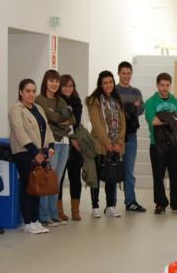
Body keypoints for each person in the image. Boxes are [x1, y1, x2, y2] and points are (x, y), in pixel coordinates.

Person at [9, 79, 56, 234]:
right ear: (21, 92)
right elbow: (20, 133)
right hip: (24, 153)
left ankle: (36, 220)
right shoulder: (16, 109)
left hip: (40, 153)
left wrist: (50, 147)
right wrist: (35, 153)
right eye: (27, 91)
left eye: (33, 91)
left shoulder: (39, 108)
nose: (31, 94)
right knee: (27, 186)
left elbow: (47, 130)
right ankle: (28, 222)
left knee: (37, 186)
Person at [144, 72, 177, 215]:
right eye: (162, 85)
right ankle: (160, 204)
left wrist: (163, 118)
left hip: (174, 144)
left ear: (170, 85)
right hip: (157, 144)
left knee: (175, 175)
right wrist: (171, 119)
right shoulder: (150, 102)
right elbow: (152, 120)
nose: (164, 88)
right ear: (157, 85)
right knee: (158, 176)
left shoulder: (176, 102)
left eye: (167, 85)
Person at [36, 69, 74, 225]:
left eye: (57, 81)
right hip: (51, 143)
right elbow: (50, 118)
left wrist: (62, 118)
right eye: (51, 81)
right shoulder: (40, 100)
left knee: (56, 181)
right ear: (45, 81)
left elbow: (72, 119)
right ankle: (44, 215)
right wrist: (61, 117)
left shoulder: (60, 100)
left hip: (64, 141)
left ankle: (53, 213)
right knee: (47, 179)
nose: (54, 84)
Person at [86, 70, 126, 217]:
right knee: (95, 175)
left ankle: (110, 206)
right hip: (99, 144)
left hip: (116, 145)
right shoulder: (94, 101)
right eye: (105, 83)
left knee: (112, 174)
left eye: (110, 82)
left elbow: (123, 124)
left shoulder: (117, 100)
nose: (108, 85)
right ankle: (95, 207)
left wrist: (119, 142)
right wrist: (108, 143)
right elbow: (96, 125)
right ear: (100, 84)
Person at [117, 61, 147, 212]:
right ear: (119, 74)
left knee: (129, 170)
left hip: (131, 136)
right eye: (124, 73)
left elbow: (141, 108)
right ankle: (111, 203)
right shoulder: (114, 90)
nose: (126, 76)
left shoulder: (136, 91)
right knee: (113, 169)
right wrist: (131, 106)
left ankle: (130, 201)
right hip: (115, 137)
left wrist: (132, 107)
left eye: (129, 73)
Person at [58, 74, 84, 220]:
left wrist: (68, 124)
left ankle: (75, 210)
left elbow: (75, 122)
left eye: (71, 86)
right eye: (65, 86)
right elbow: (57, 122)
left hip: (75, 144)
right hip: (60, 143)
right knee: (59, 178)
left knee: (75, 177)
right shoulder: (56, 102)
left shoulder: (77, 102)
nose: (68, 88)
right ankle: (59, 210)